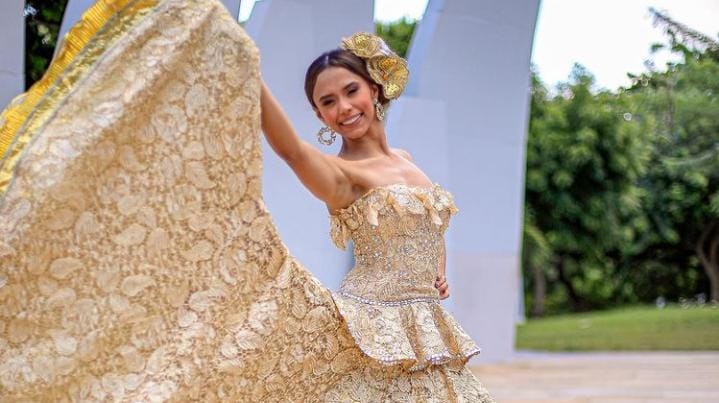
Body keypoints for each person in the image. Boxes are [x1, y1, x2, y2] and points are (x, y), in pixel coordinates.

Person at [0, 0, 494, 401]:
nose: (343, 108)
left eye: (350, 91)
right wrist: (245, 69)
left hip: (428, 328)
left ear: (375, 88)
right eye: (327, 102)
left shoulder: (407, 161)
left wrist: (437, 270)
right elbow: (292, 152)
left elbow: (429, 223)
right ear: (320, 116)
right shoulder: (346, 176)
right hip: (370, 331)